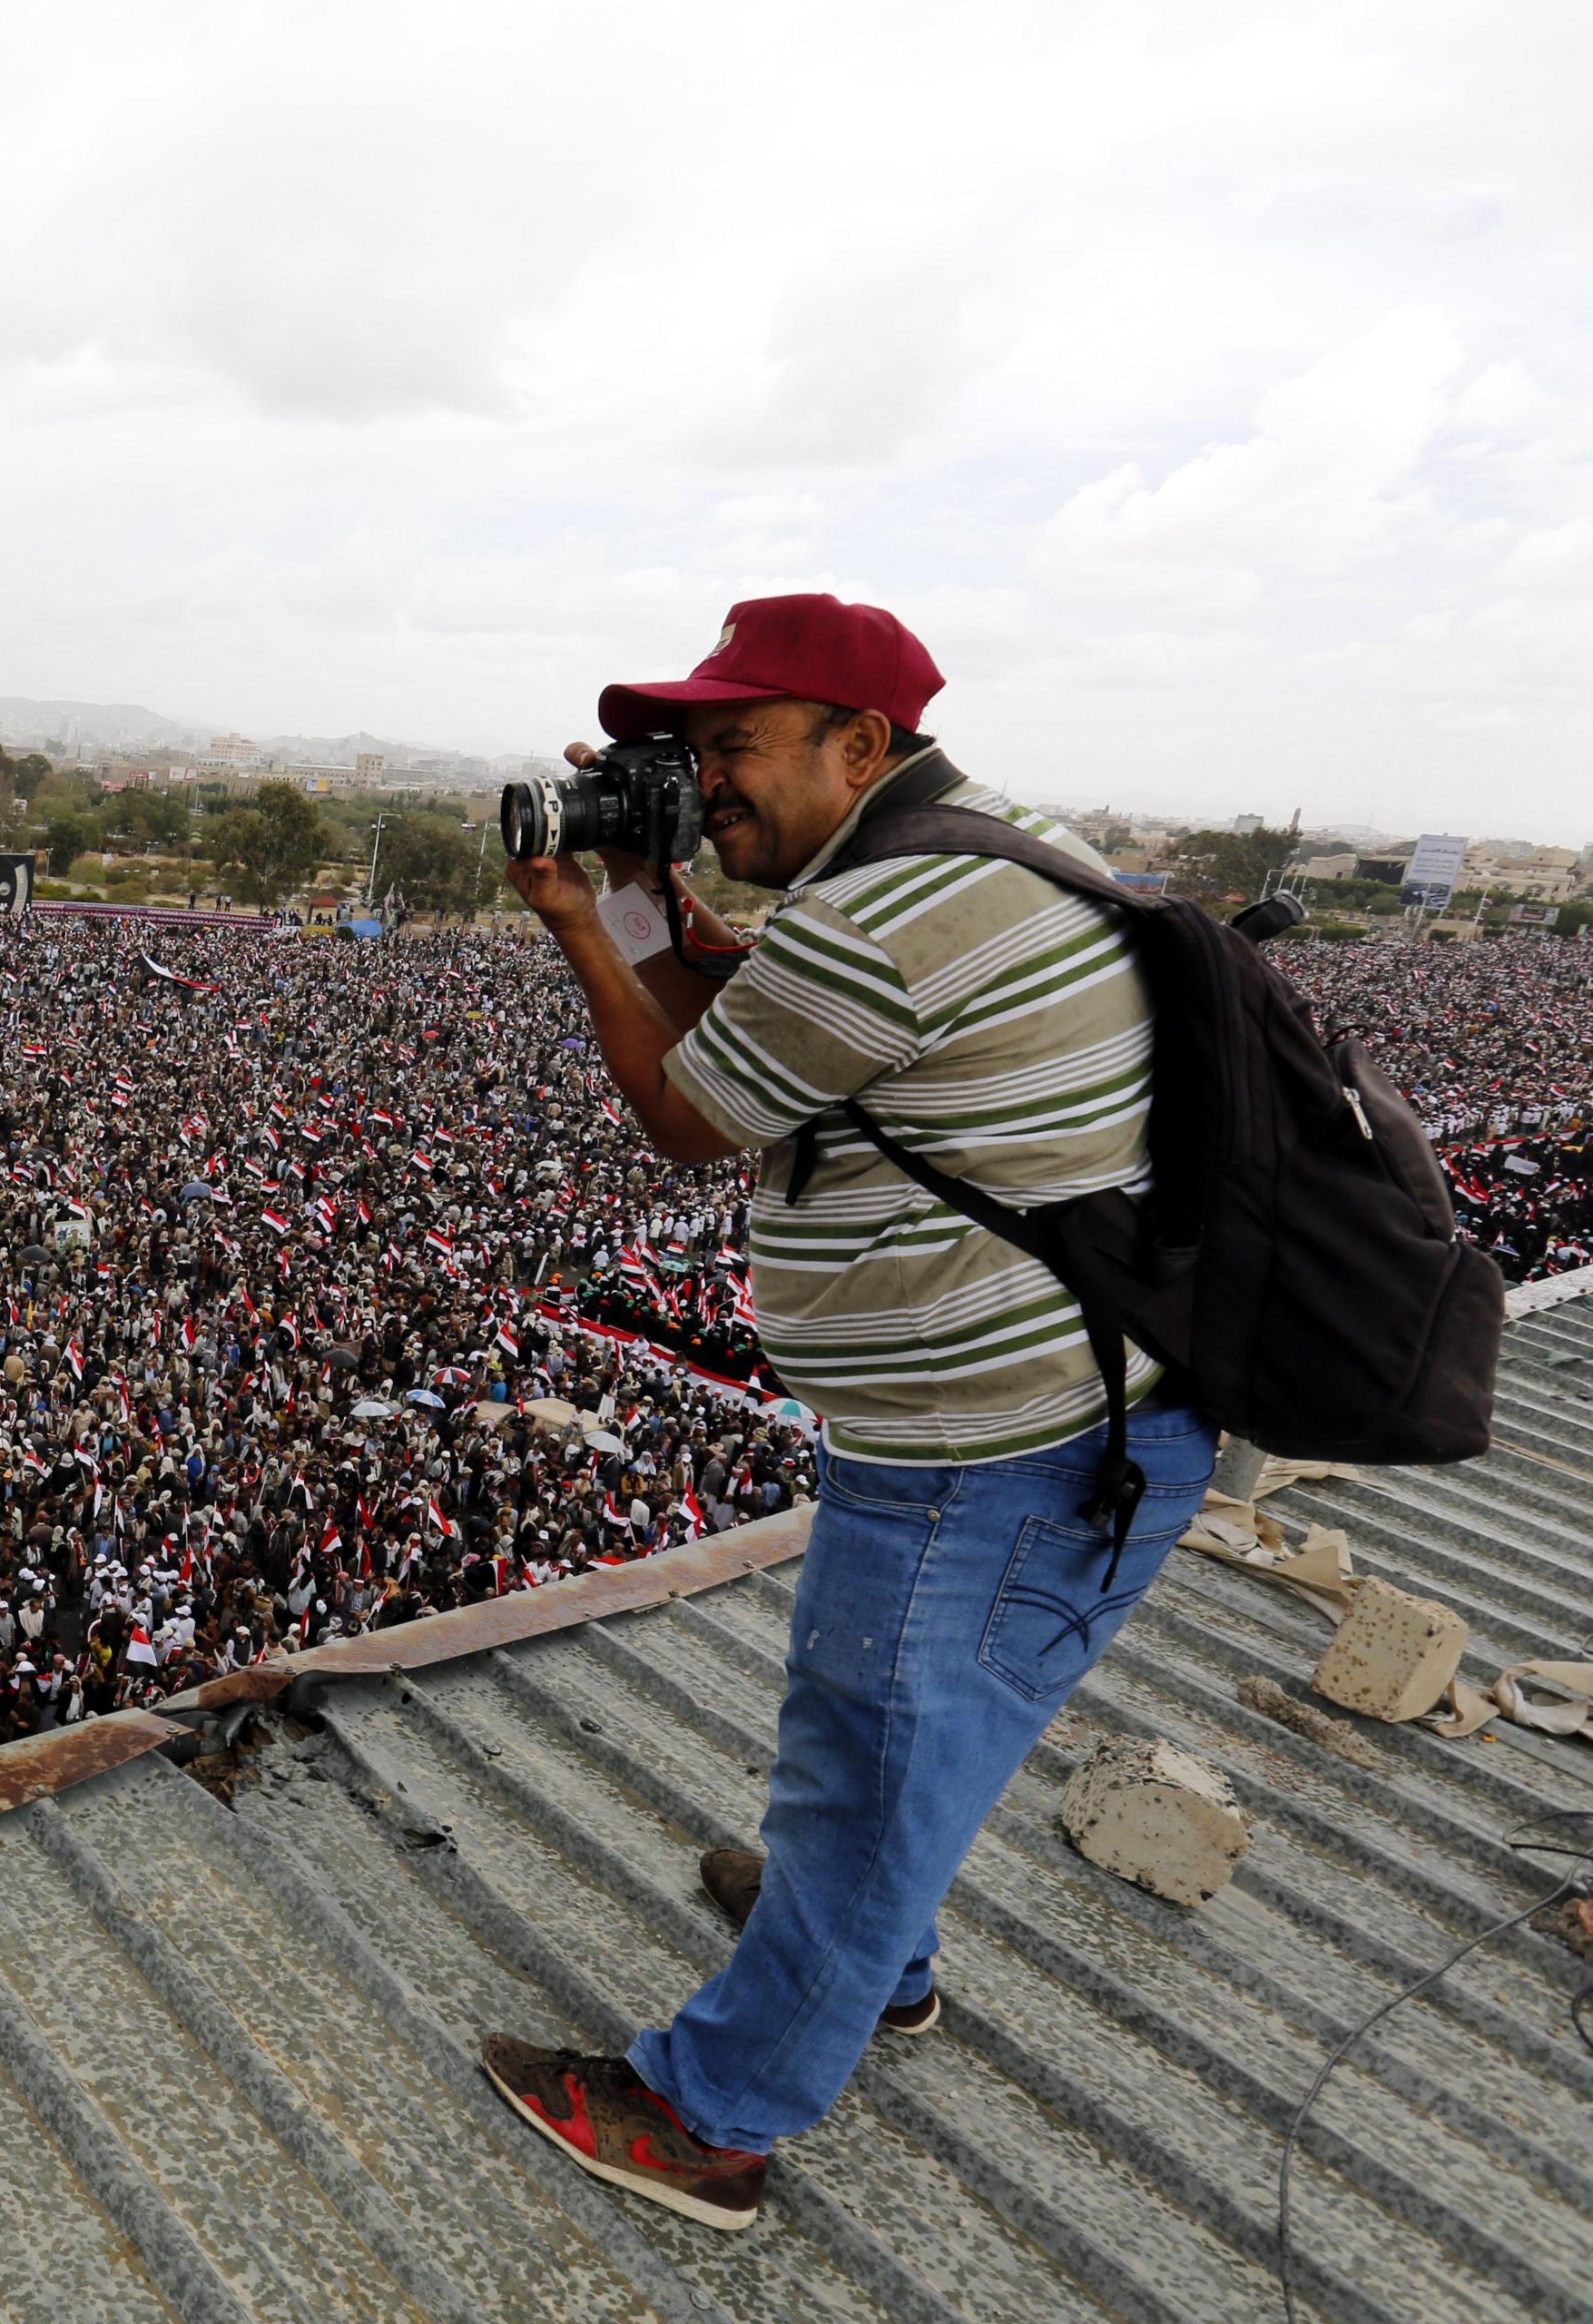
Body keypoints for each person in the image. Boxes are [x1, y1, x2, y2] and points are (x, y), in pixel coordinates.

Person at [479, 593, 1218, 2230]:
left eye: (732, 747)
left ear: (859, 743)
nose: (705, 784)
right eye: (688, 756)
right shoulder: (988, 848)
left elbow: (689, 1112)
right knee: (894, 1746)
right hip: (1057, 1424)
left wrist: (586, 927)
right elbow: (759, 1044)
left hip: (995, 1455)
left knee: (878, 1760)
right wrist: (647, 894)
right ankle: (872, 1960)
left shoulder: (884, 914)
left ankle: (706, 2119)